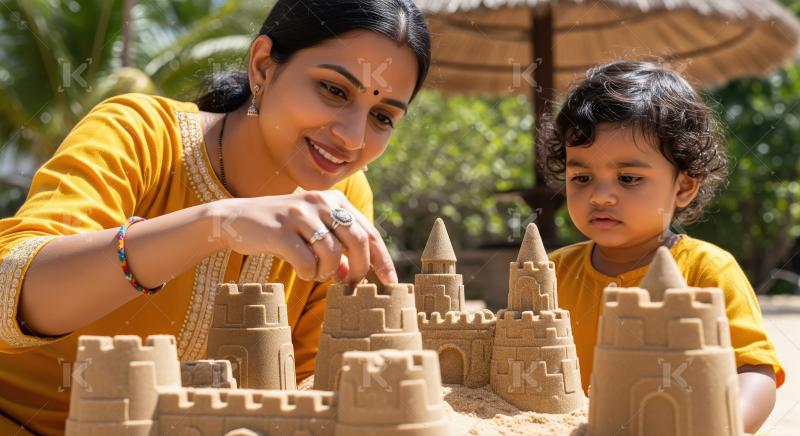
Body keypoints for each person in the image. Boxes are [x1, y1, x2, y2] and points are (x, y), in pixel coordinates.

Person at [0, 1, 430, 433]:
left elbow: (314, 380)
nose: (352, 137)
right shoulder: (140, 135)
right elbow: (14, 293)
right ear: (262, 67)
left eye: (382, 117)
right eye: (334, 90)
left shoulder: (344, 200)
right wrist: (216, 224)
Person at [538, 60, 784, 433]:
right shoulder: (550, 273)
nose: (600, 196)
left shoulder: (706, 270)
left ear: (684, 187)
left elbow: (753, 369)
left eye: (628, 178)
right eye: (582, 176)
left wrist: (724, 425)